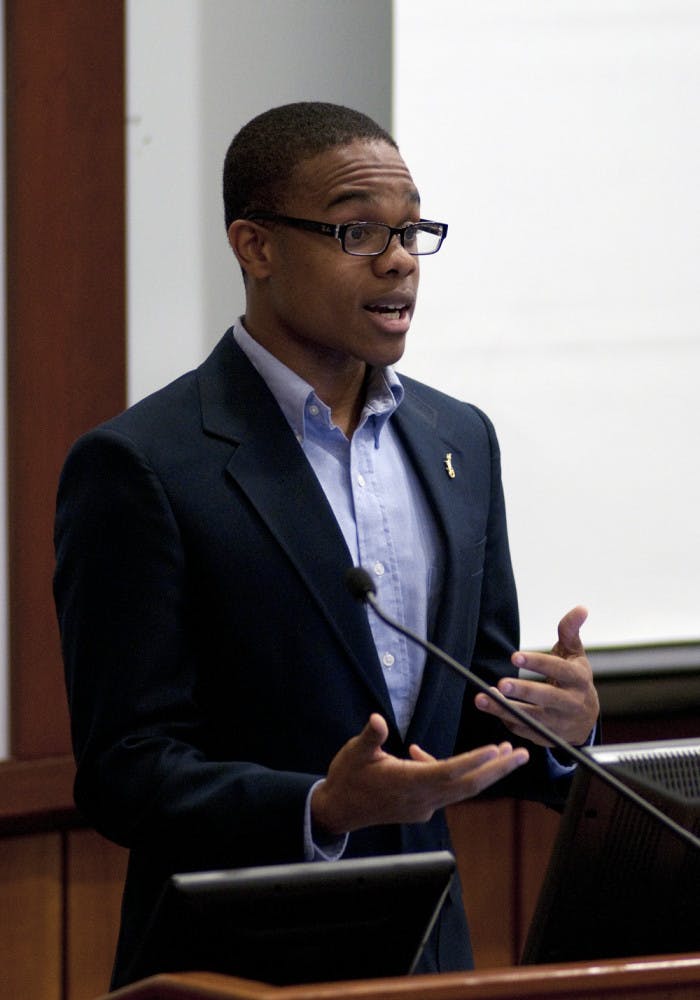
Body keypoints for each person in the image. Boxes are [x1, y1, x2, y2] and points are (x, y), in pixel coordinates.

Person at [53, 102, 599, 988]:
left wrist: (553, 727)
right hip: (236, 969)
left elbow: (468, 709)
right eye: (357, 231)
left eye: (411, 231)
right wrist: (318, 806)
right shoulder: (141, 464)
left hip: (429, 963)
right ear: (255, 247)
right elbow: (125, 769)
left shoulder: (460, 440)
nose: (398, 259)